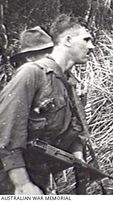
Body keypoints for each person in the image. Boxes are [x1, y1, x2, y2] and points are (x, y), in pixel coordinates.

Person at [0, 14, 95, 195]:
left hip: (39, 176)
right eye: (86, 39)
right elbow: (7, 131)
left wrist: (78, 157)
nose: (91, 46)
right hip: (9, 179)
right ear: (67, 40)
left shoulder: (68, 83)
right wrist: (22, 183)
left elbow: (73, 128)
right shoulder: (31, 73)